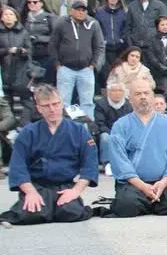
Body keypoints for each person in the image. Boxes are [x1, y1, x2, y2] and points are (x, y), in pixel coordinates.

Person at [0, 85, 97, 226]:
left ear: (61, 104)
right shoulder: (28, 133)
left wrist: (76, 191)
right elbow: (18, 167)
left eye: (55, 104)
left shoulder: (79, 131)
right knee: (31, 215)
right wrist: (30, 192)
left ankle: (60, 207)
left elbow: (90, 165)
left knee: (70, 213)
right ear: (39, 108)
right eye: (46, 106)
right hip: (37, 186)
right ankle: (42, 206)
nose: (52, 109)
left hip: (65, 186)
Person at [106, 78, 167, 218]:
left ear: (152, 96)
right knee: (127, 206)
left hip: (162, 183)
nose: (143, 97)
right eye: (138, 94)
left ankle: (148, 202)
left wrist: (163, 183)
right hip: (133, 184)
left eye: (146, 93)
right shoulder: (120, 125)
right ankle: (150, 202)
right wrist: (143, 187)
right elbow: (119, 161)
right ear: (130, 98)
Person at [49, 0, 104, 119]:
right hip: (65, 69)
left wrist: (93, 64)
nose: (81, 12)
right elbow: (53, 44)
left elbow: (99, 45)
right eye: (78, 10)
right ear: (71, 11)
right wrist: (57, 64)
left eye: (83, 10)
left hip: (86, 69)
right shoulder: (61, 23)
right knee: (63, 102)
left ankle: (88, 130)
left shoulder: (93, 24)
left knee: (88, 103)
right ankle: (64, 128)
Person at [94, 81, 132, 171]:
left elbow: (131, 123)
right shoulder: (101, 104)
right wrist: (113, 134)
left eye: (120, 91)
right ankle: (107, 163)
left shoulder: (129, 105)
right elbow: (100, 123)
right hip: (106, 131)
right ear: (108, 92)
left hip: (123, 133)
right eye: (114, 90)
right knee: (105, 138)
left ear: (123, 92)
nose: (117, 93)